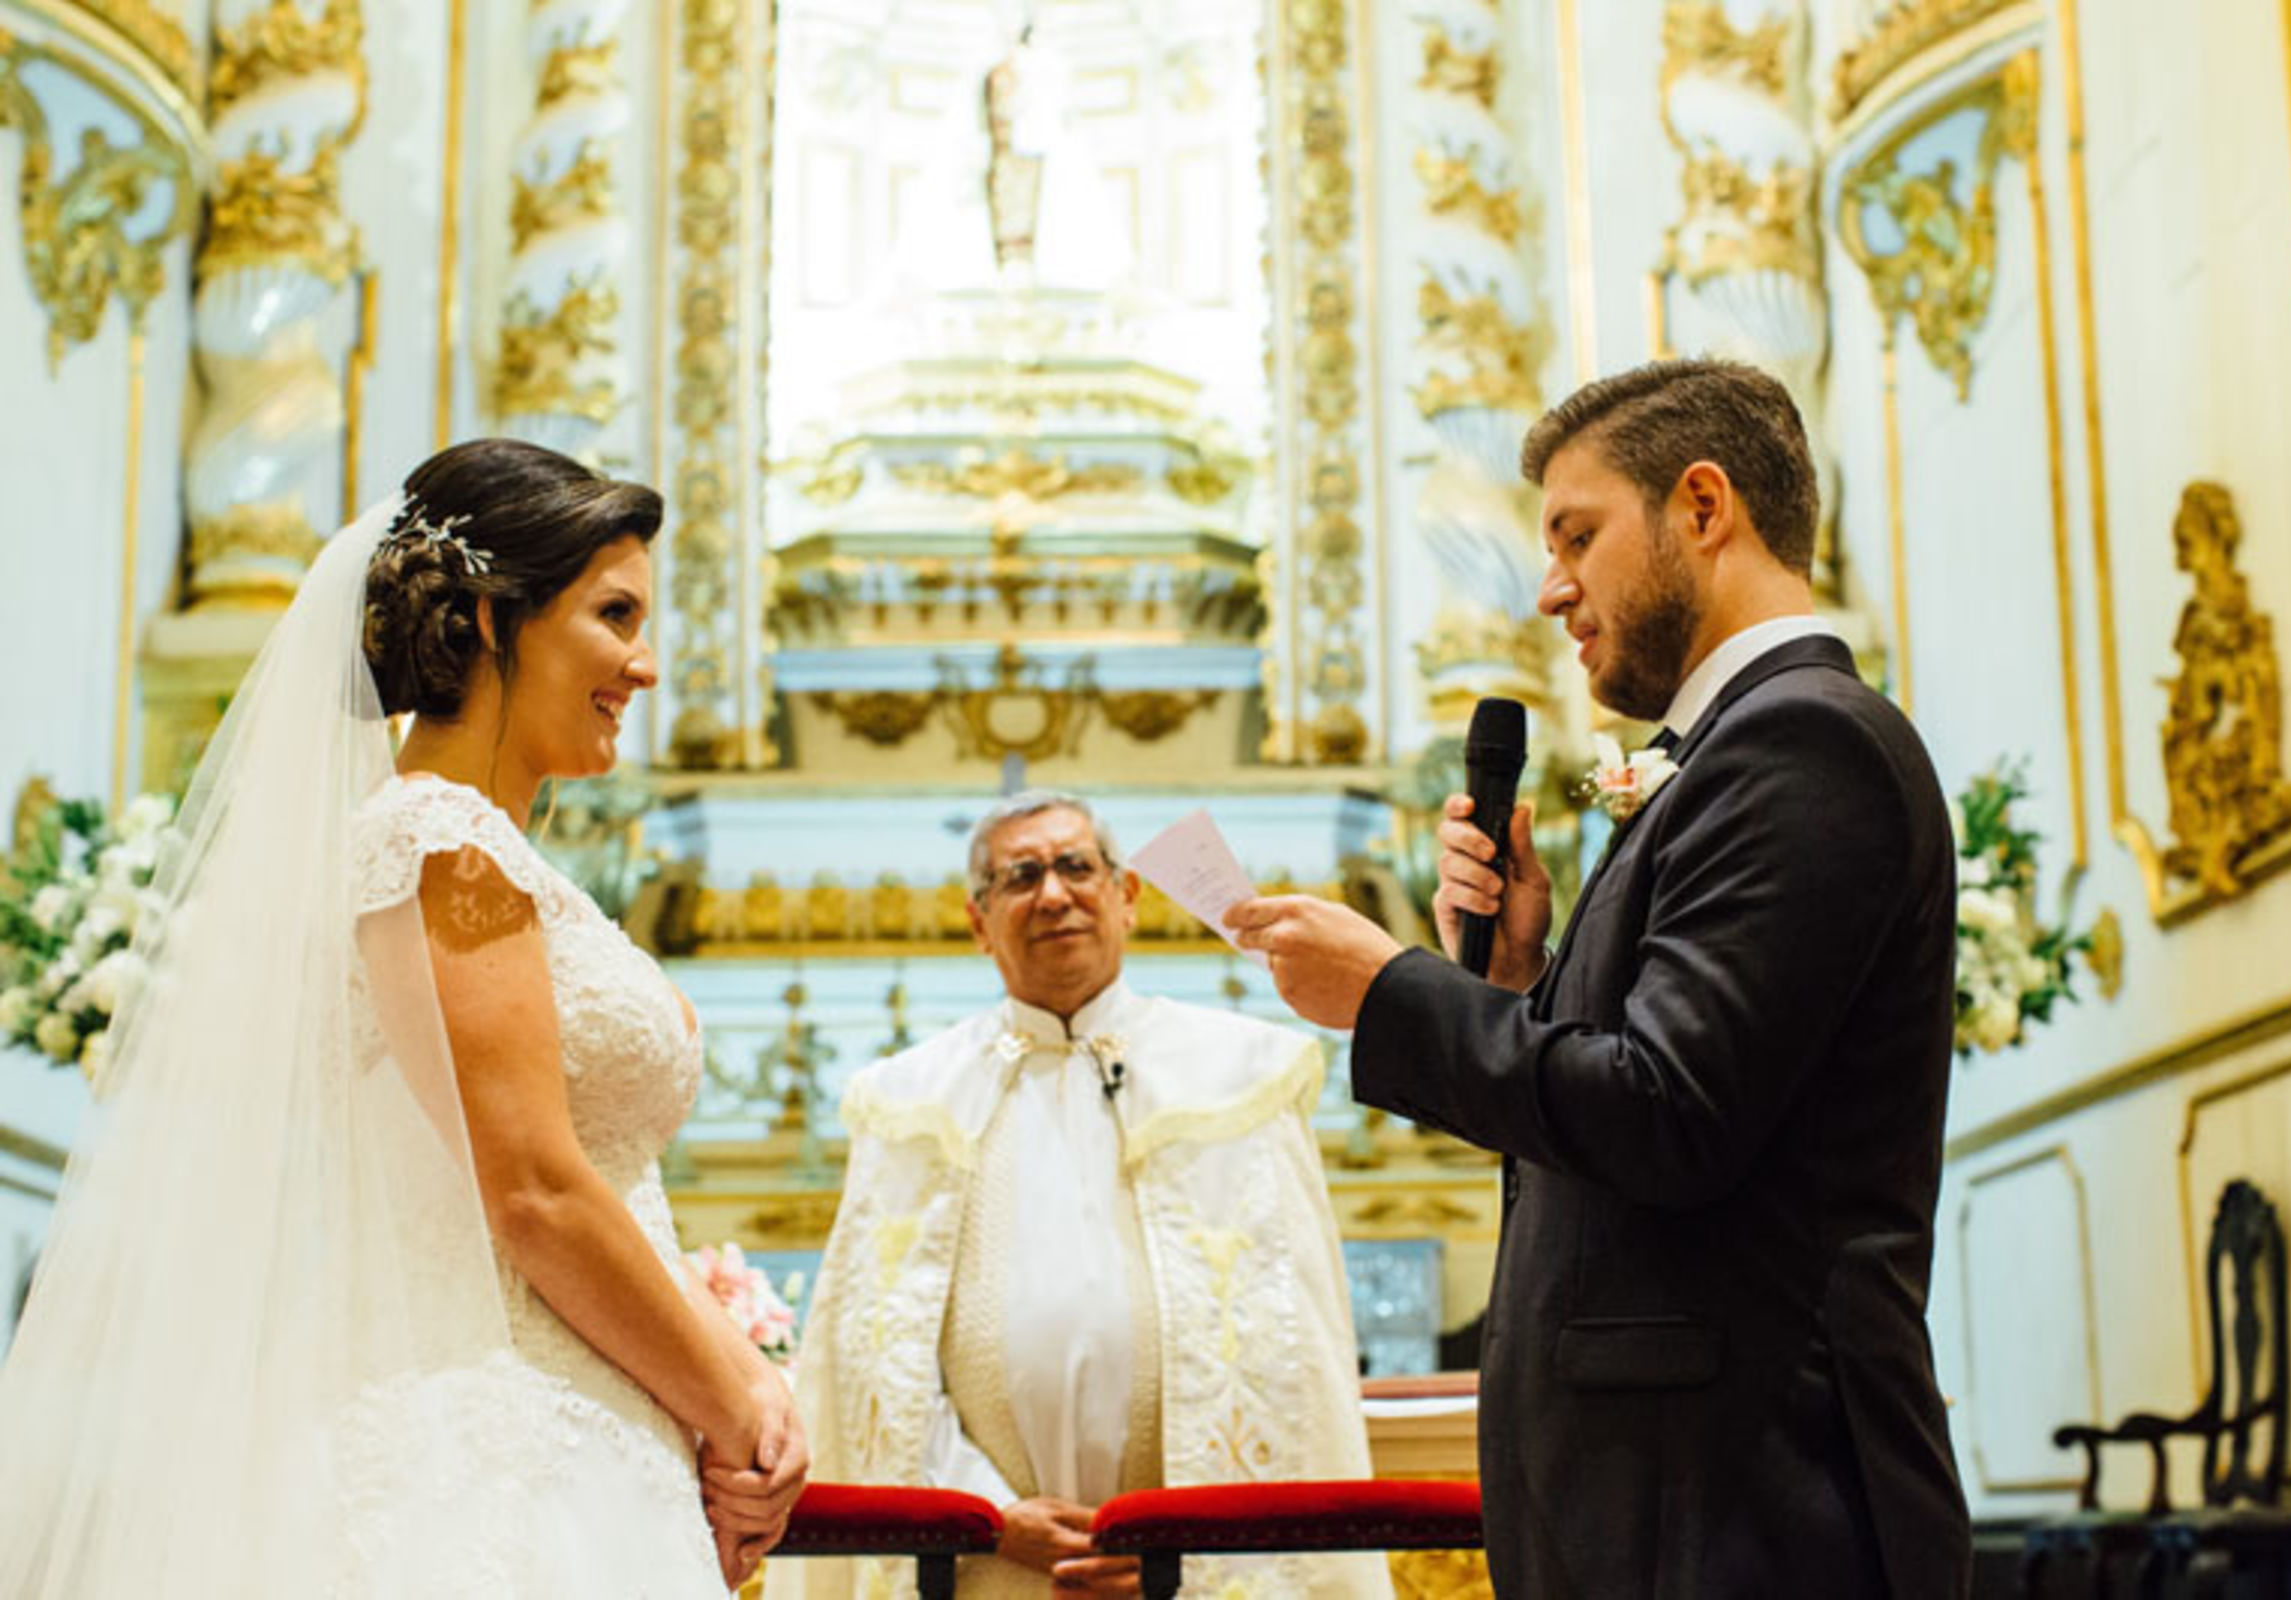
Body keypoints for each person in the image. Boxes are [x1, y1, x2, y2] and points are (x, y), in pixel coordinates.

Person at [0, 440, 806, 1596]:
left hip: (580, 1428)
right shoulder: (437, 841)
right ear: (488, 617)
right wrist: (735, 1406)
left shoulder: (482, 852)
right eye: (614, 614)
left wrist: (742, 1390)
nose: (646, 664)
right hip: (497, 1451)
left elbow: (594, 1180)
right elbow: (531, 1188)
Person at [1227, 361, 1972, 1598]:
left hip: (1743, 1503)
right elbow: (1660, 1103)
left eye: (1577, 535)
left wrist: (1389, 992)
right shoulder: (1738, 748)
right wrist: (1518, 978)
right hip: (1678, 1493)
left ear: (1699, 505)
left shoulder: (1802, 739)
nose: (1548, 589)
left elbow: (1668, 1115)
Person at [791, 791, 1390, 1600]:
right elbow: (875, 1365)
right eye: (1020, 876)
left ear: (1127, 897)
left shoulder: (1240, 1076)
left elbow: (1289, 1359)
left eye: (1077, 867)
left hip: (1189, 1562)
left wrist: (1175, 1537)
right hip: (985, 1562)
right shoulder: (910, 1102)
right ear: (977, 921)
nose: (1053, 894)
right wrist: (991, 1514)